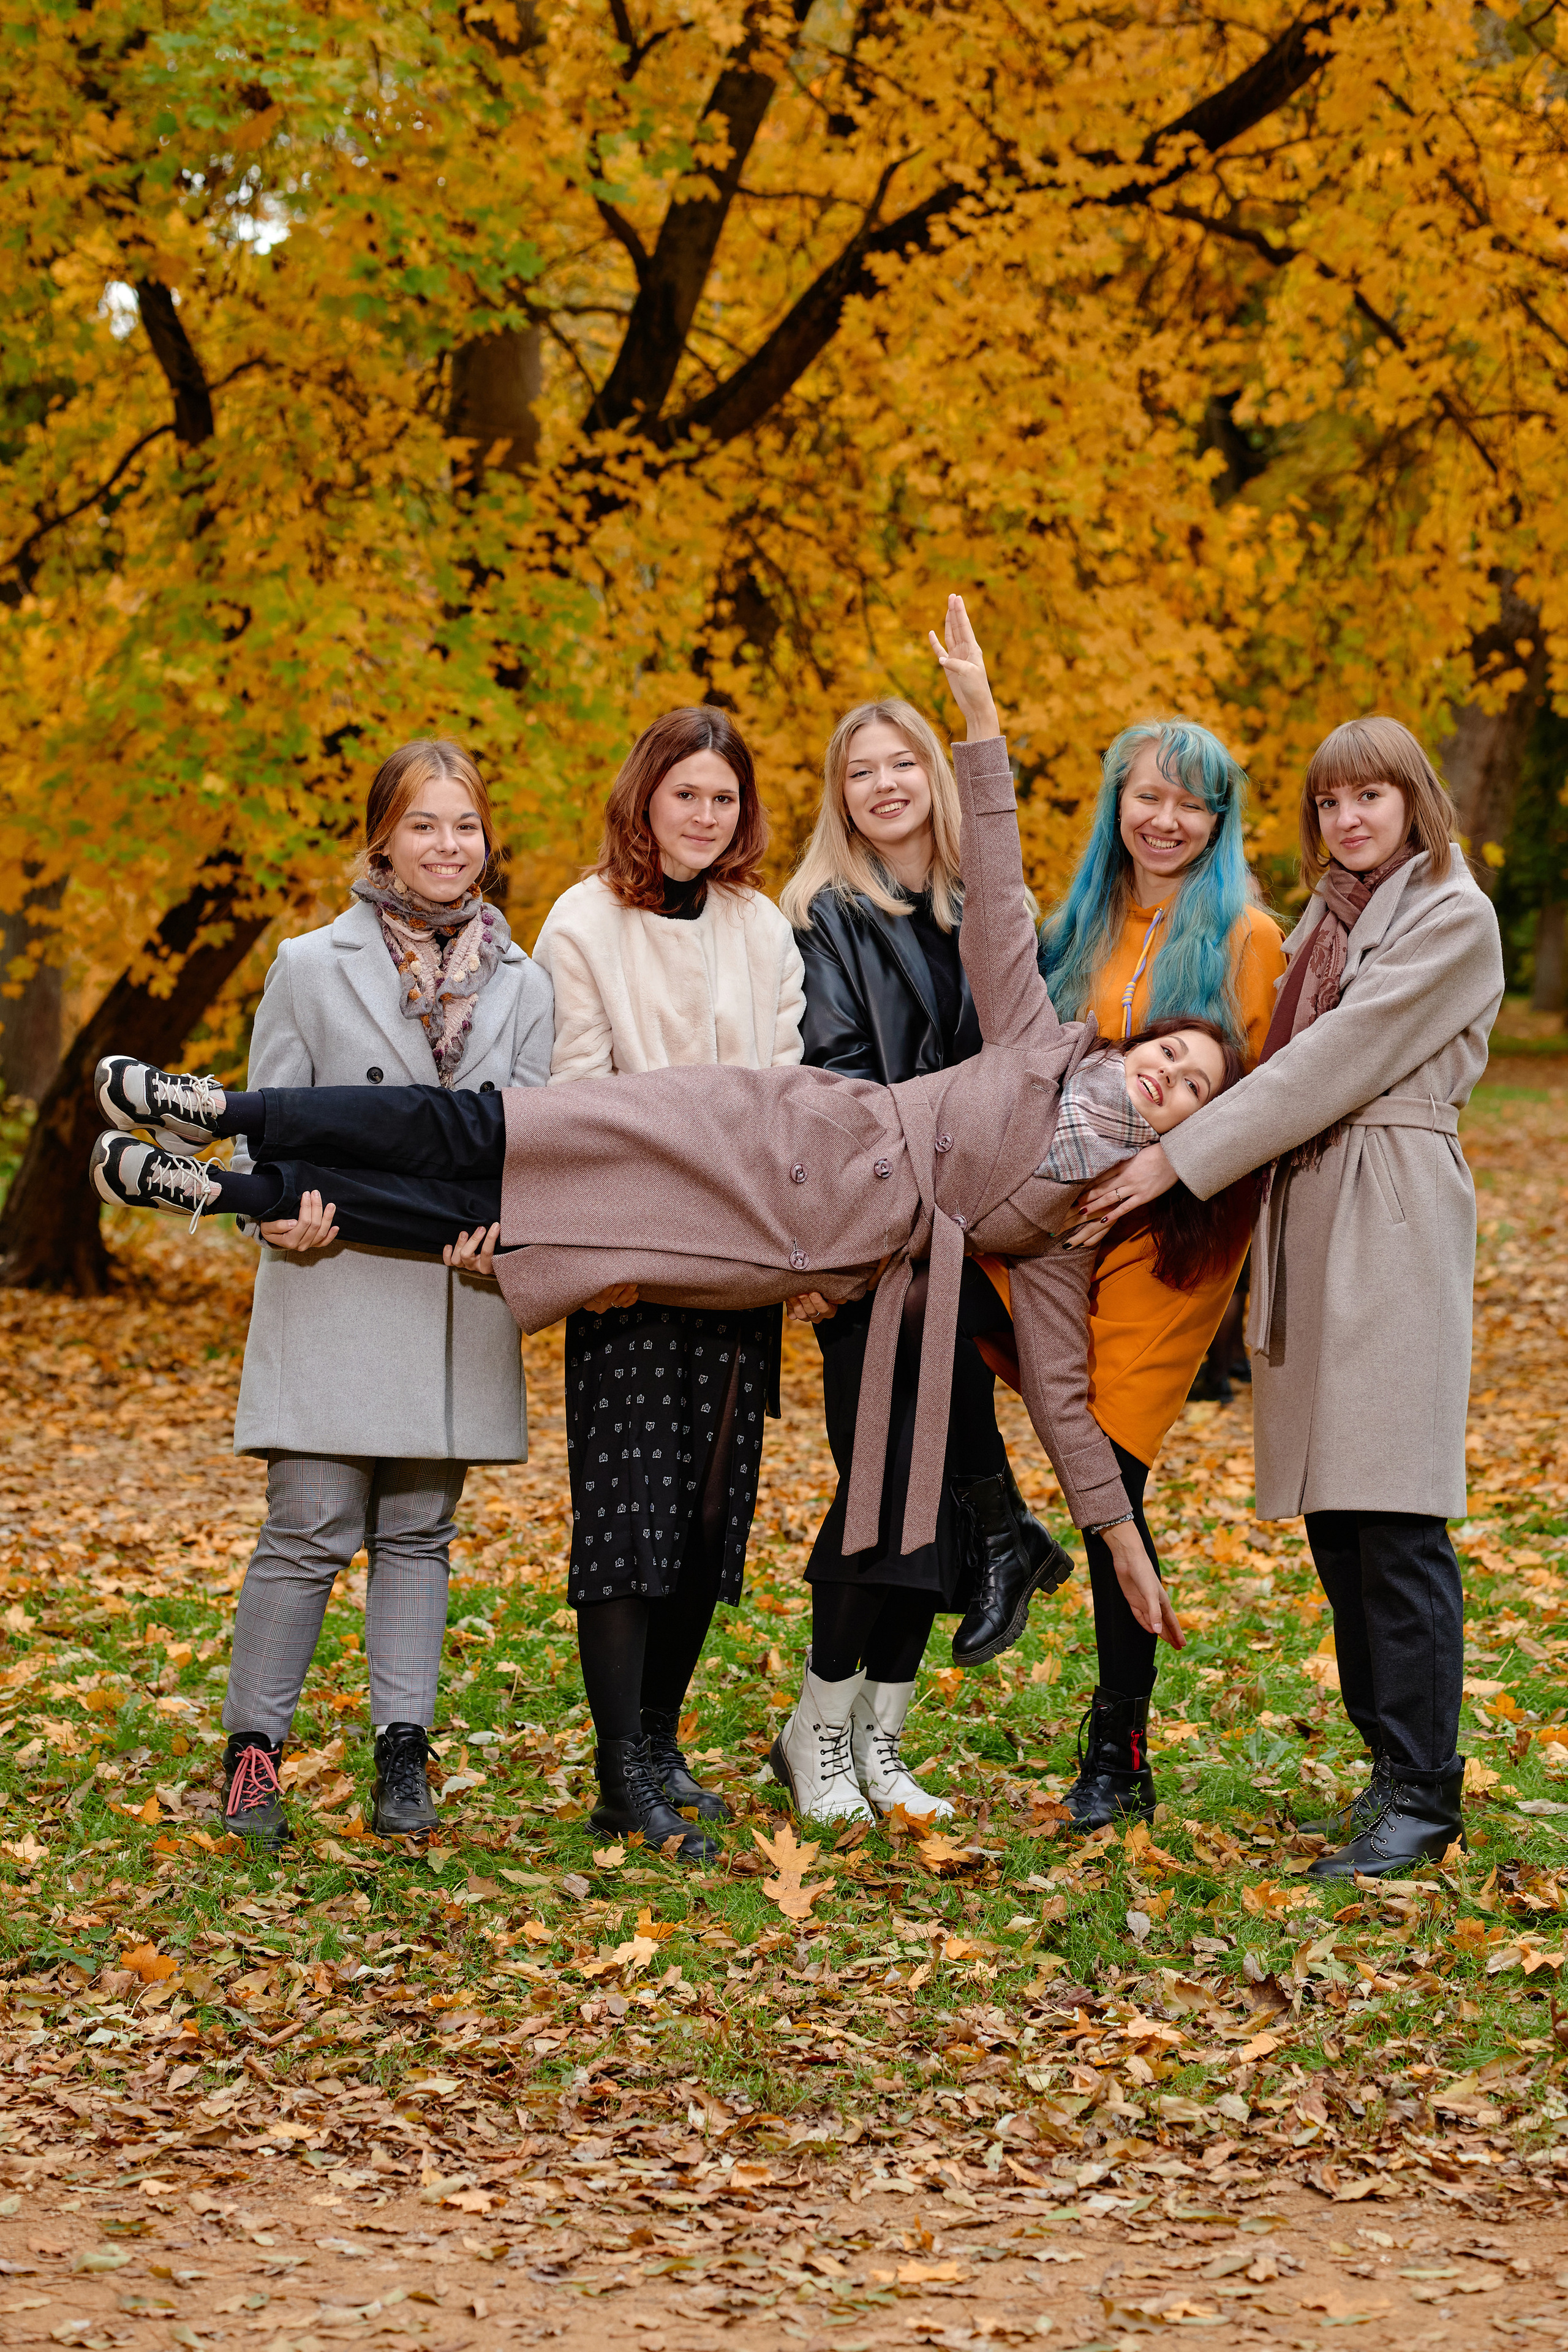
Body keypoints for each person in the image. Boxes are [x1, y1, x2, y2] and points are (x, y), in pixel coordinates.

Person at [90, 598, 1239, 1834]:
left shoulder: (1060, 1228)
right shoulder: (1035, 1043)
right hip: (754, 1129)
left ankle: (211, 1185)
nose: (1164, 1076)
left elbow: (1063, 1405)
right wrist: (974, 717)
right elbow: (1002, 887)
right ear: (1131, 1044)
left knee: (515, 1236)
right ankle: (217, 1112)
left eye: (1188, 1089)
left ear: (1178, 1126)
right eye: (1167, 1053)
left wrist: (1119, 1546)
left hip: (778, 1252)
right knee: (486, 1141)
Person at [1074, 715, 1504, 1877]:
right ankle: (1387, 1770)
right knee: (1337, 1515)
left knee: (1396, 1510)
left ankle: (1426, 1789)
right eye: (1329, 802)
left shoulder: (1452, 917)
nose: (1350, 819)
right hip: (1313, 1217)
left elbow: (1335, 1056)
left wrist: (1180, 1156)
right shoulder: (1327, 917)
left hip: (1393, 1213)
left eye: (1371, 797)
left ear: (1417, 801)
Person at [176, 738, 553, 1847]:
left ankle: (403, 1757)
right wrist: (272, 1215)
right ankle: (253, 1759)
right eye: (426, 825)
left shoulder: (526, 983)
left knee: (419, 1527)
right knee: (309, 1521)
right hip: (332, 1268)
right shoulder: (309, 964)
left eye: (466, 826)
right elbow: (274, 1127)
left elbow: (527, 1141)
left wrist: (512, 1233)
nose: (449, 847)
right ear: (383, 835)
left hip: (453, 1283)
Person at [775, 698, 1070, 1828]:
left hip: (971, 1235)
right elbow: (837, 1079)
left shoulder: (986, 914)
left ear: (935, 782)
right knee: (881, 1490)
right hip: (876, 1237)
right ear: (839, 795)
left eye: (906, 762)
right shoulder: (825, 918)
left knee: (931, 1488)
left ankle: (879, 1737)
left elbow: (1021, 1057)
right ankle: (816, 1730)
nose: (887, 783)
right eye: (863, 770)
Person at [527, 707, 806, 1863]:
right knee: (629, 1518)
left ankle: (657, 1739)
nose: (705, 815)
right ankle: (619, 1771)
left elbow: (784, 1090)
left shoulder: (761, 924)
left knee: (704, 1521)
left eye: (724, 798)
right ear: (647, 796)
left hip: (739, 1264)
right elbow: (584, 1103)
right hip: (632, 1267)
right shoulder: (583, 921)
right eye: (686, 793)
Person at [1031, 722, 1287, 1825]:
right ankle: (993, 1525)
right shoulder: (1073, 928)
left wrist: (1167, 1166)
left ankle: (1118, 1746)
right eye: (1148, 797)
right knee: (930, 1328)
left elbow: (1271, 1100)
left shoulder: (1249, 941)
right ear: (1116, 803)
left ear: (1219, 823)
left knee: (1114, 1478)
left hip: (1176, 1240)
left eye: (1193, 804)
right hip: (1058, 1221)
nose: (1167, 820)